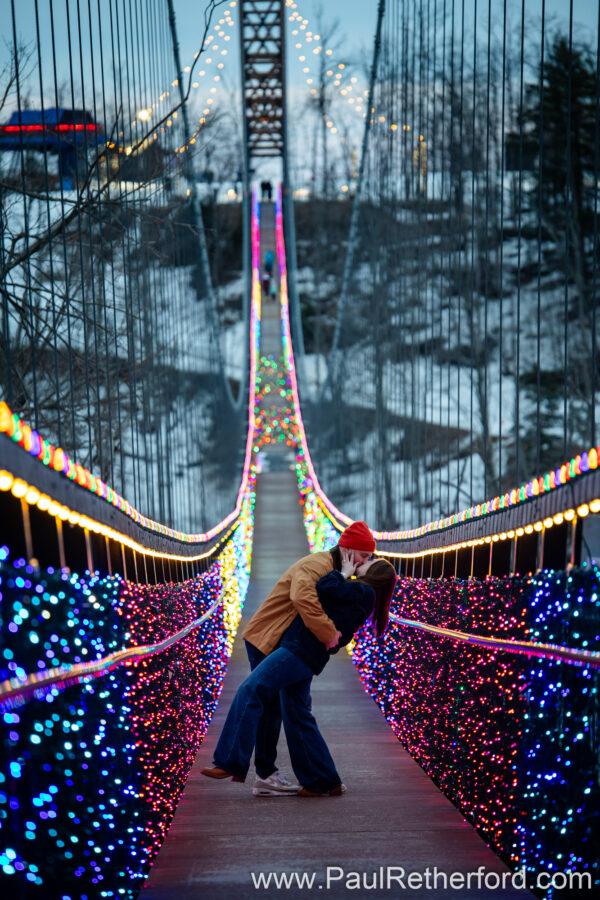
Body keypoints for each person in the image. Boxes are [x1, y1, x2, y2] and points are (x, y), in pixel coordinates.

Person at [202, 547, 396, 797]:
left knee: (252, 688)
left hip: (299, 651)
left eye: (370, 562)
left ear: (375, 574)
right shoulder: (362, 593)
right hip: (304, 652)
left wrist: (344, 573)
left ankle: (229, 762)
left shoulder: (362, 590)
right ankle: (323, 780)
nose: (365, 562)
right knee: (297, 713)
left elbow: (325, 587)